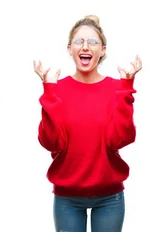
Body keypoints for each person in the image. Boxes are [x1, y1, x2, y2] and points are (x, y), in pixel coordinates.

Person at [34, 15, 141, 232]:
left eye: (93, 42)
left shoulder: (116, 88)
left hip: (110, 197)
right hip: (67, 198)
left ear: (102, 50)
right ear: (69, 48)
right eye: (79, 41)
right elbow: (51, 142)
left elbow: (120, 139)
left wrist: (127, 89)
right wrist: (49, 92)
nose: (85, 46)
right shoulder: (58, 89)